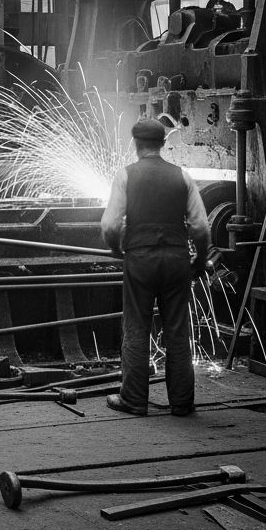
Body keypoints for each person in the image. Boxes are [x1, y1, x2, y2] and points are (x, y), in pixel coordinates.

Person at [100, 118, 210, 417]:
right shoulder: (182, 176)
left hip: (140, 260)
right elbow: (200, 227)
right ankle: (182, 403)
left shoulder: (126, 175)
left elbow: (110, 225)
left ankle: (134, 400)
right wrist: (199, 261)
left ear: (136, 145)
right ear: (163, 144)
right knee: (177, 330)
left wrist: (115, 249)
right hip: (176, 260)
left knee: (137, 327)